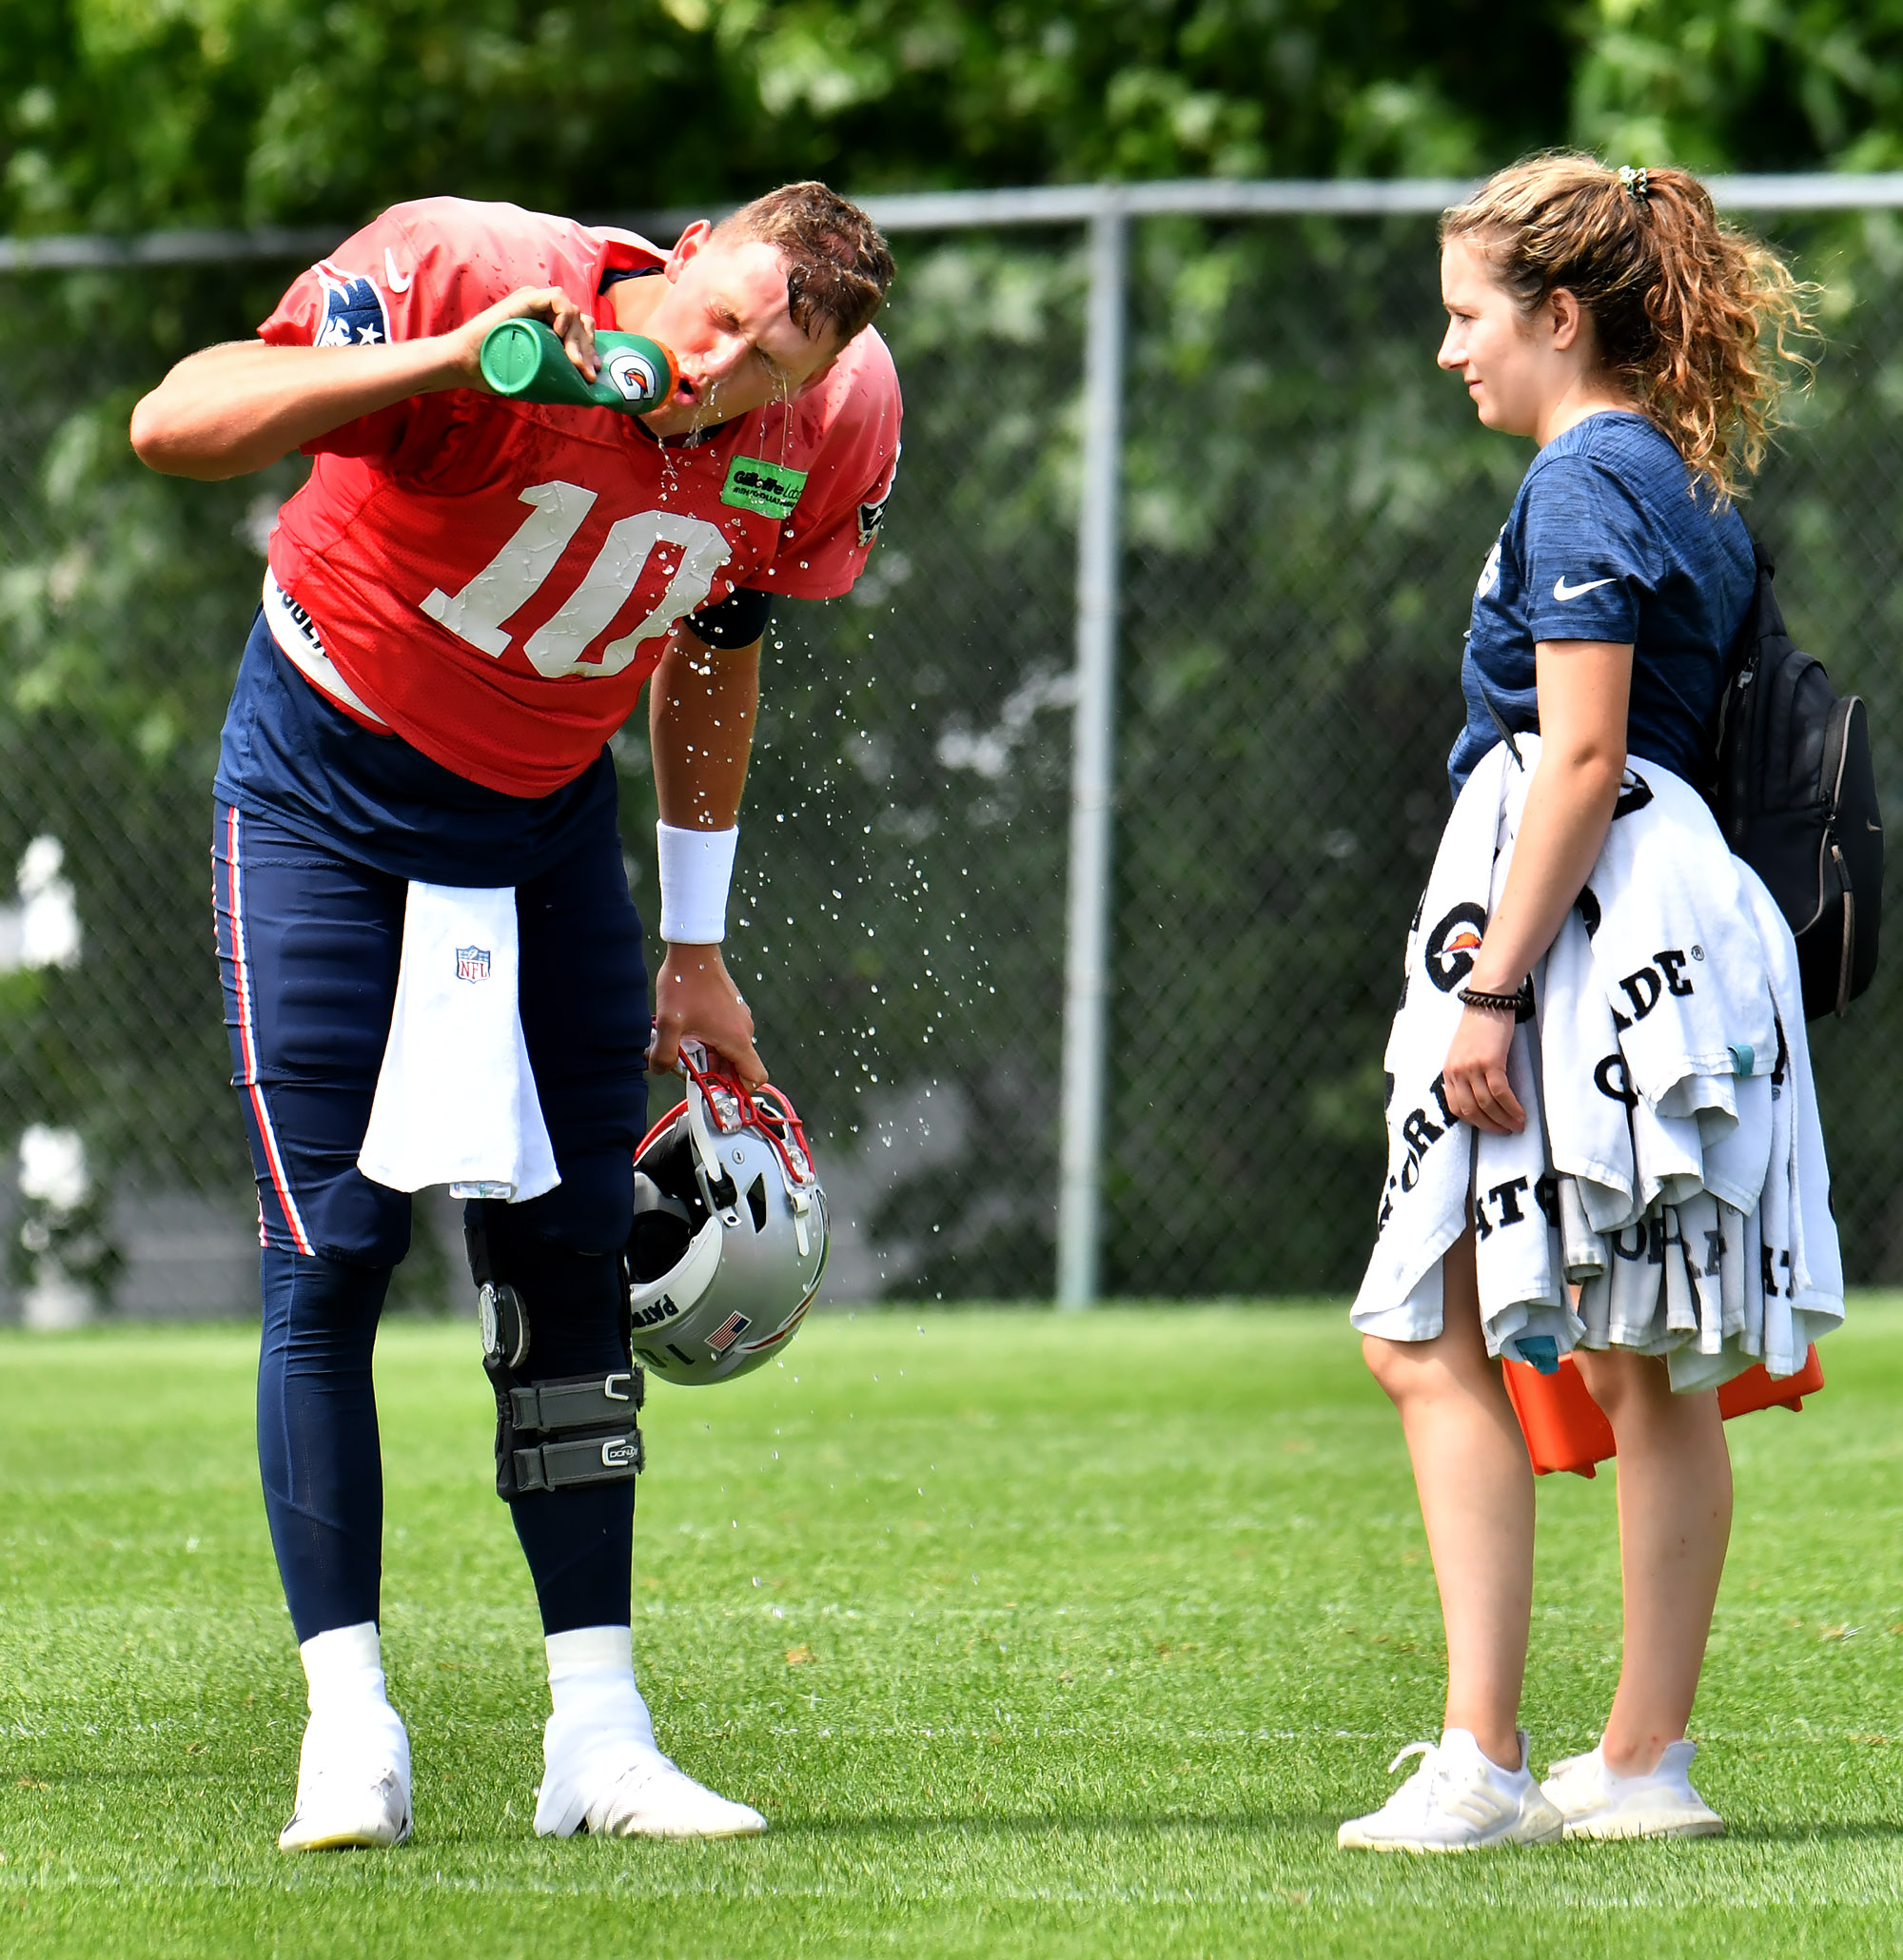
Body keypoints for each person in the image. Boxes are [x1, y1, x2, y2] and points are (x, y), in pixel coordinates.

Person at [128, 182, 900, 1850]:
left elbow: (719, 640)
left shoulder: (828, 419)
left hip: (540, 820)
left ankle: (597, 1740)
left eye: (773, 362)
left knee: (564, 1262)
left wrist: (698, 946)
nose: (723, 369)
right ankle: (349, 1728)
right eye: (722, 316)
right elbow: (175, 422)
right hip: (326, 786)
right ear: (687, 249)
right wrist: (440, 363)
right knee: (328, 1247)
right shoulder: (478, 273)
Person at [1339, 154, 1827, 1852]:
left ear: (1558, 315)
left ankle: (1483, 1762)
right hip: (1662, 924)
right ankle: (1639, 1767)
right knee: (1644, 1366)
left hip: (1579, 926)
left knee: (1422, 1332)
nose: (1453, 351)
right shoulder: (1675, 471)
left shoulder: (1587, 476)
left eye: (1472, 317)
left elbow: (1585, 755)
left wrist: (1489, 987)